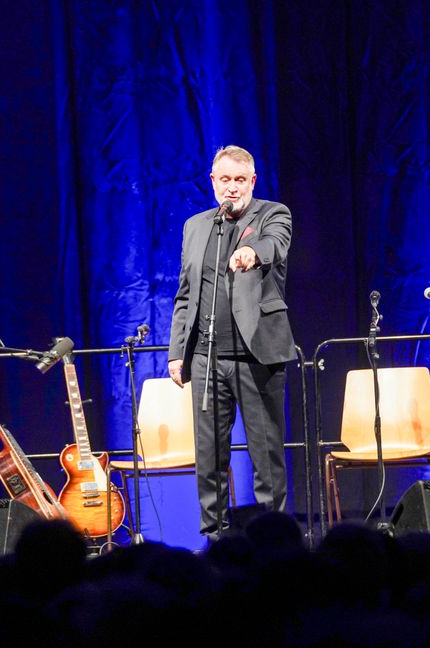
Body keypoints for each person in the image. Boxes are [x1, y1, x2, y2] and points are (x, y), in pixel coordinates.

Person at [168, 145, 296, 541]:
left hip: (257, 355)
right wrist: (177, 352)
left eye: (240, 180)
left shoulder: (273, 213)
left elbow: (274, 244)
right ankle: (215, 538)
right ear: (213, 182)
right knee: (209, 457)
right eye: (225, 180)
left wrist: (250, 253)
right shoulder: (196, 226)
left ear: (252, 181)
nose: (232, 188)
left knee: (266, 456)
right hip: (206, 357)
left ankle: (272, 541)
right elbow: (185, 294)